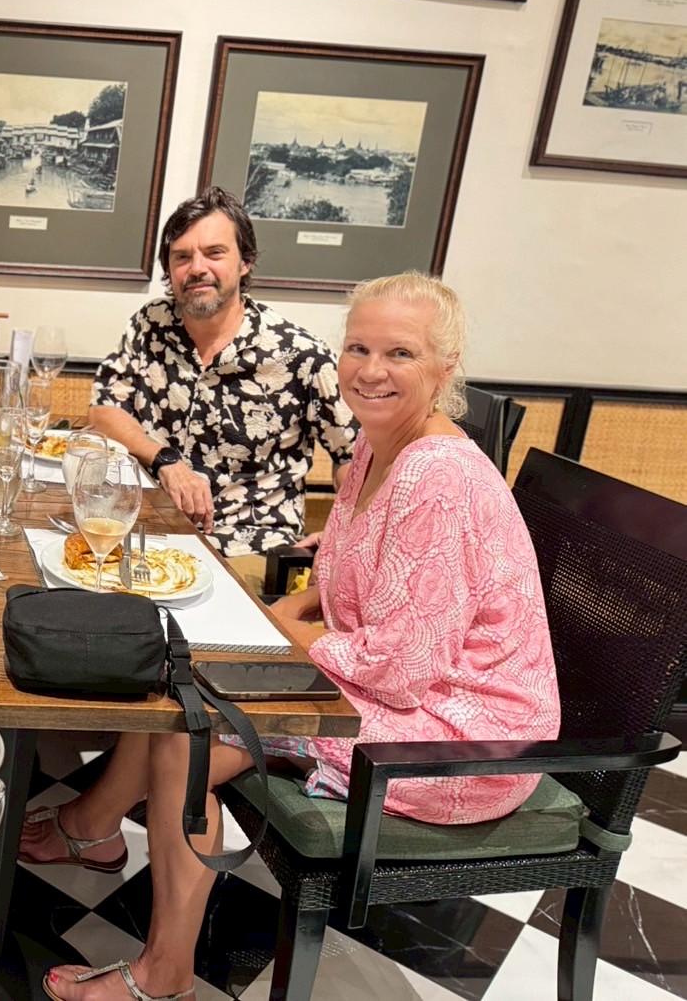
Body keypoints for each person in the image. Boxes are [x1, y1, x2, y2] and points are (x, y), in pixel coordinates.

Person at [33, 273, 561, 1001]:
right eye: (358, 348)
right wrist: (290, 614)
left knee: (189, 734)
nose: (370, 371)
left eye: (399, 354)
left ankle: (163, 973)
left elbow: (401, 668)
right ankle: (93, 829)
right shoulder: (379, 445)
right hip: (411, 693)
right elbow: (351, 573)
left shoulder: (436, 478)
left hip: (459, 741)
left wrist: (279, 637)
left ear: (446, 369)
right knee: (184, 679)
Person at [89, 186, 356, 557]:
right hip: (146, 534)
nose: (197, 268)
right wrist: (165, 460)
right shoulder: (149, 324)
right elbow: (103, 410)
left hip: (251, 550)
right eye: (182, 257)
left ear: (245, 262)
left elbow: (355, 455)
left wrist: (346, 535)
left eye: (214, 253)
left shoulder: (300, 354)